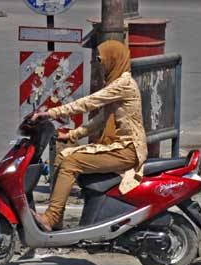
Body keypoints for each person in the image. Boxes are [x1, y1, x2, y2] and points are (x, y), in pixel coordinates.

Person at [31, 40, 148, 232]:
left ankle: (51, 217)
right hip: (121, 147)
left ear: (114, 59)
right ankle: (56, 217)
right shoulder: (117, 82)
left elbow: (89, 103)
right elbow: (100, 120)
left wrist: (51, 113)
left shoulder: (123, 84)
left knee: (71, 163)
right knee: (63, 156)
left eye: (102, 61)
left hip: (127, 149)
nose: (100, 67)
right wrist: (72, 134)